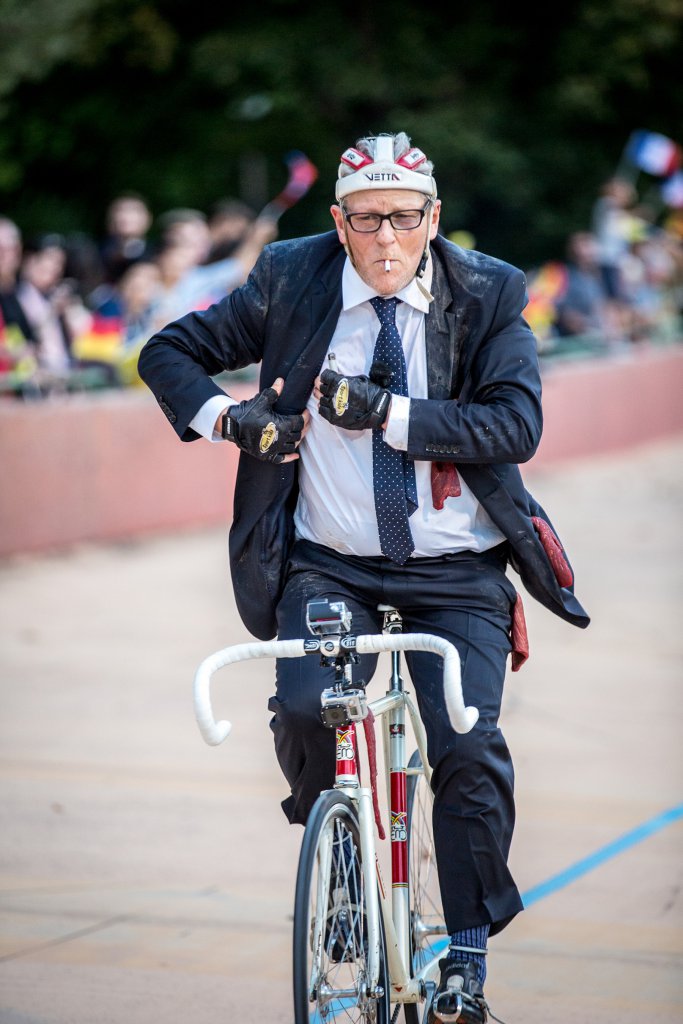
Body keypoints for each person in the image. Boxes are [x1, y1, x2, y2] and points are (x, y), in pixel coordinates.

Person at [138, 132, 589, 1023]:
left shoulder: (488, 288)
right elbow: (166, 353)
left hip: (454, 567)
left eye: (406, 219)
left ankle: (464, 949)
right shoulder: (291, 275)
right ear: (338, 222)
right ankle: (336, 848)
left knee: (464, 746)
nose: (388, 239)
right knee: (306, 706)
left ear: (433, 220)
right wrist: (232, 422)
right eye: (369, 219)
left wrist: (389, 414)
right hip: (325, 559)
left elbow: (514, 427)